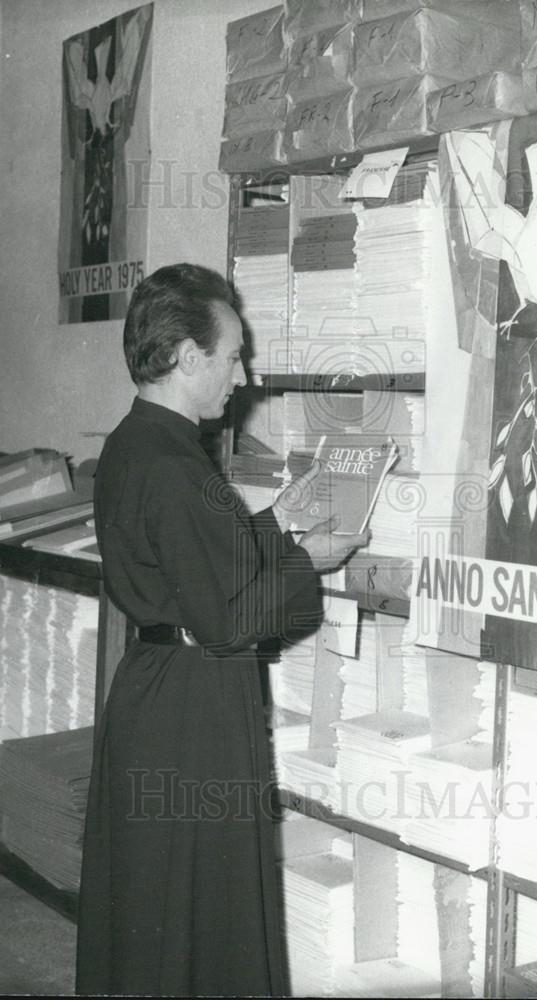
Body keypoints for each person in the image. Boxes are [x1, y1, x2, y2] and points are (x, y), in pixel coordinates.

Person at [75, 263, 367, 997]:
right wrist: (307, 560)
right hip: (192, 709)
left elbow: (190, 568)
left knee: (158, 901)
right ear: (187, 357)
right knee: (201, 904)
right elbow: (226, 620)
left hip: (159, 690)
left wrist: (278, 522)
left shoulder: (137, 443)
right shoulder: (176, 465)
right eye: (233, 357)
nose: (244, 376)